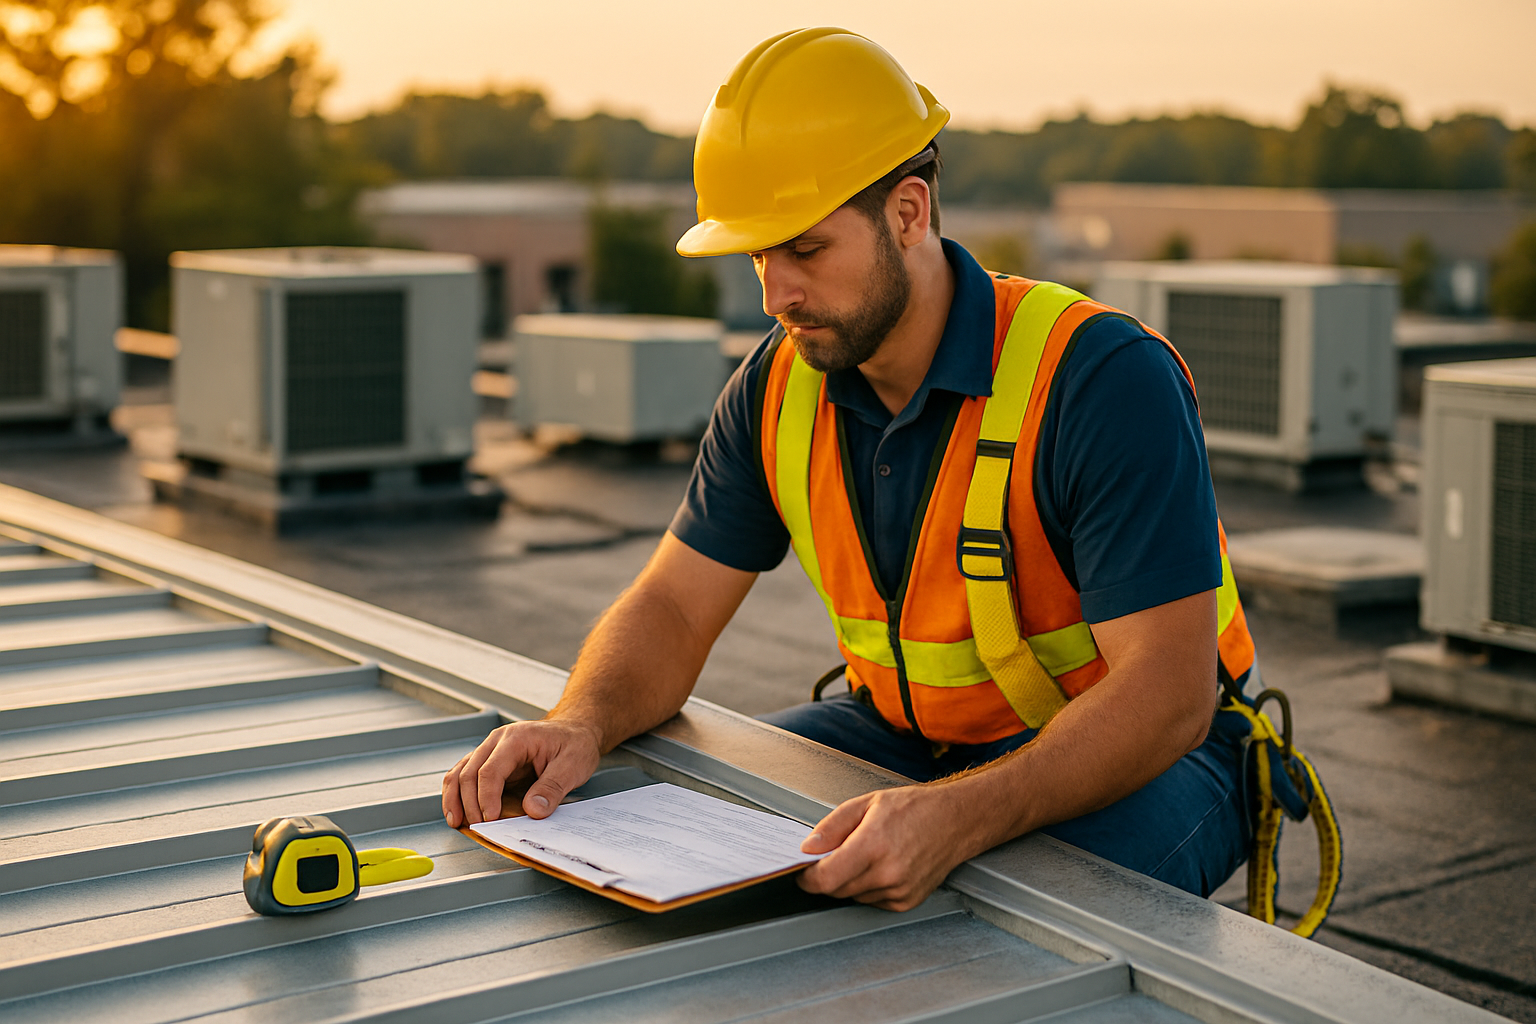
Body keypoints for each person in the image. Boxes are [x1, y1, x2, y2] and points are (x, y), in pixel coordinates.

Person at [443, 27, 1262, 912]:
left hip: (1157, 756)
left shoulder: (1099, 379)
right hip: (907, 740)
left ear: (907, 213)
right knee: (691, 842)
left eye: (804, 250)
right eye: (758, 256)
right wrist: (579, 721)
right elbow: (675, 605)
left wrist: (956, 817)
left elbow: (1169, 695)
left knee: (992, 933)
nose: (774, 294)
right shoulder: (779, 385)